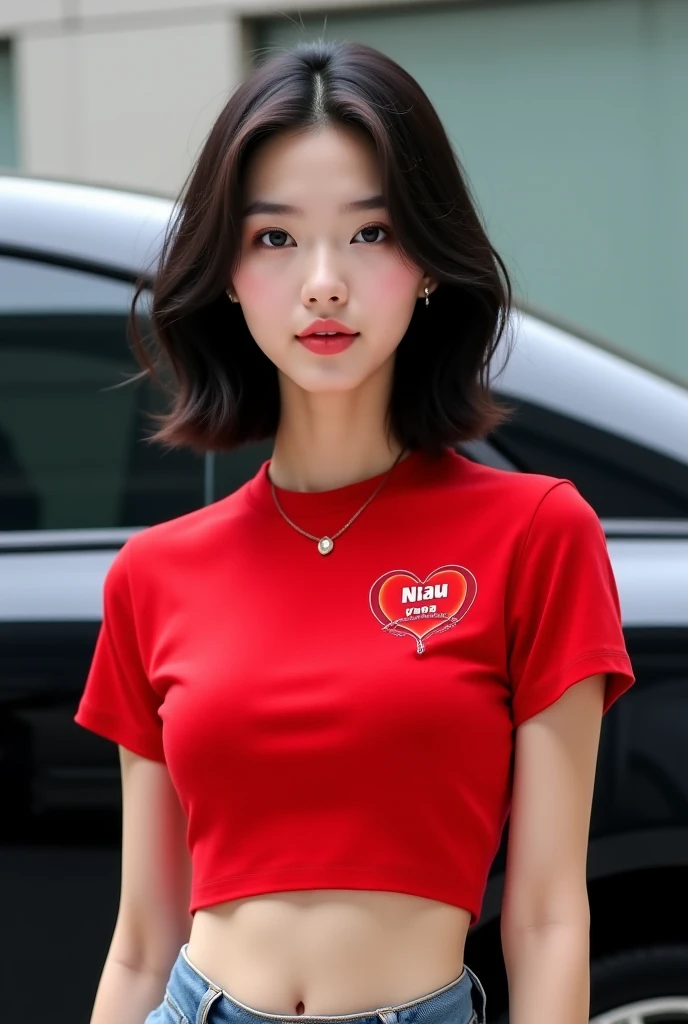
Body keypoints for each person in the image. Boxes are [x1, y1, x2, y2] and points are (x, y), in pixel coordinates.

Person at [74, 39, 635, 1024]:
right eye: (275, 238)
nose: (323, 282)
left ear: (427, 266)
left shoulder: (537, 535)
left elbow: (546, 916)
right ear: (229, 274)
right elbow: (140, 943)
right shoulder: (153, 574)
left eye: (370, 233)